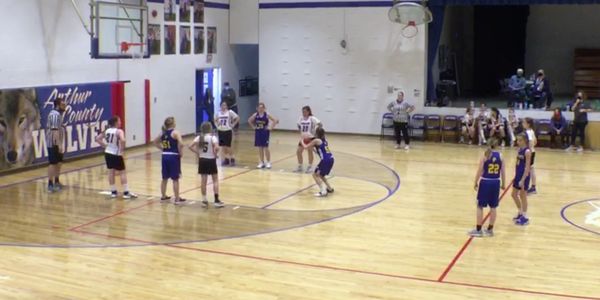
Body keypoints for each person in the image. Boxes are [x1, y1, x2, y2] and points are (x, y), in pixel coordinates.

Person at [468, 138, 505, 237]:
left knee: (480, 206)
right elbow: (503, 172)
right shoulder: (500, 156)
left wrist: (475, 182)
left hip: (485, 181)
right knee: (493, 207)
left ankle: (479, 229)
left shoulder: (485, 155)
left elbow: (480, 171)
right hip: (496, 182)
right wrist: (504, 183)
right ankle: (490, 229)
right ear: (497, 145)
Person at [95, 116, 137, 199]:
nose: (121, 122)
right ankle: (126, 192)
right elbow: (123, 140)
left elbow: (97, 138)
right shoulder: (119, 131)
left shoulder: (106, 130)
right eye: (119, 121)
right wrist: (122, 149)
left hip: (108, 153)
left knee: (111, 172)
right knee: (122, 172)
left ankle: (113, 192)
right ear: (116, 122)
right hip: (116, 153)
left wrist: (105, 146)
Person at [189, 121, 224, 208]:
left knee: (203, 181)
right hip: (211, 160)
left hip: (202, 160)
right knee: (215, 180)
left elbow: (190, 146)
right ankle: (216, 200)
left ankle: (204, 200)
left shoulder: (199, 137)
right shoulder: (213, 138)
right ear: (210, 128)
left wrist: (198, 153)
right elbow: (217, 147)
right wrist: (215, 154)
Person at [153, 116, 185, 204]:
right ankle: (177, 199)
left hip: (164, 156)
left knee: (164, 178)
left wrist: (162, 149)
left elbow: (155, 142)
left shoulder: (162, 133)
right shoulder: (175, 132)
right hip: (173, 156)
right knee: (175, 179)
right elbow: (181, 144)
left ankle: (163, 196)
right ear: (173, 123)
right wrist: (181, 152)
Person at [302, 127, 335, 197]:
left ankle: (323, 191)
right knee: (321, 175)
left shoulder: (316, 140)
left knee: (314, 174)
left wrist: (301, 140)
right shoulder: (325, 140)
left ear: (316, 133)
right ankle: (329, 188)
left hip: (325, 160)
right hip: (331, 159)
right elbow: (319, 150)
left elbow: (305, 147)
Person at [248, 102, 279, 169]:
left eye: (262, 108)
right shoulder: (255, 114)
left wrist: (271, 128)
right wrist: (253, 127)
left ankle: (268, 162)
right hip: (258, 132)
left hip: (265, 132)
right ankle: (262, 162)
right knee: (260, 147)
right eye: (259, 108)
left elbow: (275, 120)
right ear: (257, 108)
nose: (261, 109)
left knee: (266, 147)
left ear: (264, 108)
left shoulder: (267, 114)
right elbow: (249, 120)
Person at [46, 97, 66, 193]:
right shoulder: (54, 115)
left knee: (59, 162)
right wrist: (58, 144)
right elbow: (54, 131)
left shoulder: (59, 115)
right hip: (53, 143)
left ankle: (57, 181)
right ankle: (50, 184)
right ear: (57, 105)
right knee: (52, 163)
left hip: (58, 142)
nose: (64, 106)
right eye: (63, 104)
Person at [512, 133, 532, 226]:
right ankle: (520, 212)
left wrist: (523, 179)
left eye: (520, 140)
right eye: (517, 140)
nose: (518, 142)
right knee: (513, 194)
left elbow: (527, 167)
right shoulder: (519, 150)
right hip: (518, 175)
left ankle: (525, 217)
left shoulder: (527, 151)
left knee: (523, 196)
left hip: (524, 177)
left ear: (525, 141)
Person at [295, 106, 322, 173]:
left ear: (308, 111)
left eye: (305, 111)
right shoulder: (301, 118)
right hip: (303, 138)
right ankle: (300, 166)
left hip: (310, 137)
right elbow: (299, 125)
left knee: (309, 151)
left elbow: (320, 124)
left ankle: (310, 167)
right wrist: (301, 132)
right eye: (303, 112)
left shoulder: (312, 118)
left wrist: (316, 132)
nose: (303, 113)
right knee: (298, 151)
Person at [215, 102, 240, 166]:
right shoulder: (218, 113)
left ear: (226, 106)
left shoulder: (230, 112)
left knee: (228, 145)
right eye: (222, 105)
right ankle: (226, 159)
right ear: (220, 106)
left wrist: (233, 124)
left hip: (228, 130)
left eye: (225, 105)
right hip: (220, 131)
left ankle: (232, 158)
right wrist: (217, 125)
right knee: (223, 146)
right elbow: (215, 120)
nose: (224, 106)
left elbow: (237, 118)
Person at [523, 118, 537, 194]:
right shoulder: (532, 131)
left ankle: (529, 187)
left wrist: (528, 149)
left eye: (524, 122)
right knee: (531, 169)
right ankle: (533, 187)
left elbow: (532, 142)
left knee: (529, 169)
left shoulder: (528, 132)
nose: (522, 124)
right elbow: (536, 141)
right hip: (532, 151)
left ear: (528, 124)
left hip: (529, 152)